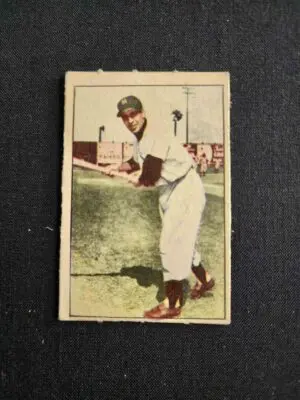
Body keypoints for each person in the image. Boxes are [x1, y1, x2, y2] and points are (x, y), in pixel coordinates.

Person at [113, 95, 215, 319]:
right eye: (125, 117)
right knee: (182, 241)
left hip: (184, 188)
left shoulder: (156, 132)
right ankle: (205, 279)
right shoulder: (139, 137)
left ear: (143, 113)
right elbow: (135, 162)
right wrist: (116, 166)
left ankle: (173, 303)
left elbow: (149, 176)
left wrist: (137, 180)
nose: (130, 120)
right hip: (170, 190)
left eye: (134, 114)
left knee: (171, 244)